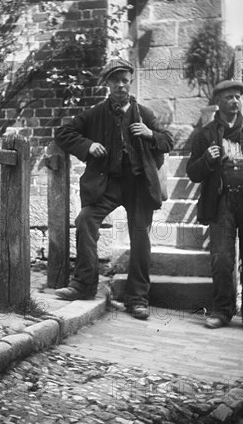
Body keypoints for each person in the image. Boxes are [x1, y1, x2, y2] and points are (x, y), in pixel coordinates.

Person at [54, 58, 174, 320]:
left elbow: (168, 141)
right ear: (107, 84)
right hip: (107, 184)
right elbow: (64, 133)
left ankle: (137, 299)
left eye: (125, 80)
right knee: (86, 219)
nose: (121, 85)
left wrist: (150, 134)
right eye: (115, 80)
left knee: (140, 237)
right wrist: (87, 146)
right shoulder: (96, 114)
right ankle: (83, 285)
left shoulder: (145, 114)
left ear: (130, 83)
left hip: (138, 184)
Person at [186, 79, 243, 335]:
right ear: (218, 102)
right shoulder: (206, 134)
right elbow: (193, 172)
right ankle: (222, 310)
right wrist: (206, 159)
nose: (235, 101)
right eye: (229, 97)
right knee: (221, 258)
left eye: (238, 97)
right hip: (221, 201)